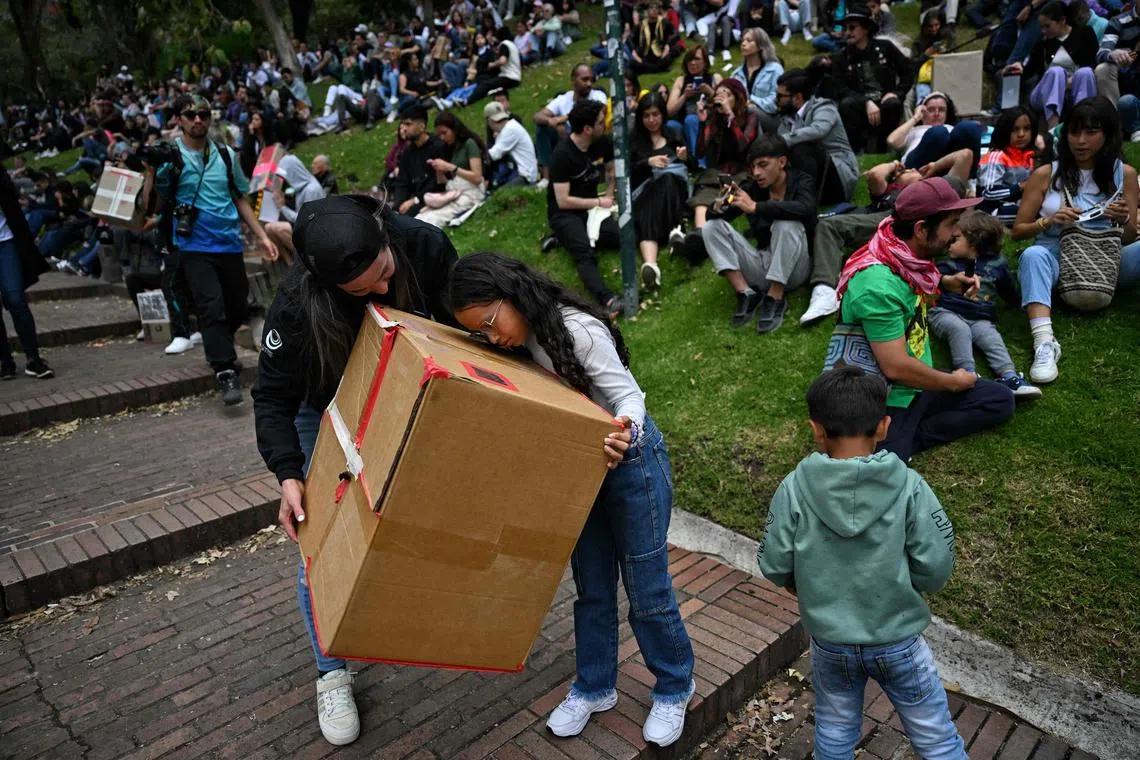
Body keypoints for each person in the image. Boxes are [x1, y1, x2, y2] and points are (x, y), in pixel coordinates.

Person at [448, 251, 695, 748]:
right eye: (483, 333)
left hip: (632, 463)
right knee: (593, 587)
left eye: (493, 323)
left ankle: (674, 686)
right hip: (578, 473)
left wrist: (623, 431)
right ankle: (595, 686)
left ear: (513, 294)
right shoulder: (516, 345)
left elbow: (629, 398)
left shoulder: (577, 330)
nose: (494, 338)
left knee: (647, 591)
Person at [253, 194, 458, 748]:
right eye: (364, 290)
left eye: (386, 274)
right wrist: (288, 474)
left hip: (406, 390)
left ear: (388, 240)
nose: (384, 290)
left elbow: (465, 327)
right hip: (323, 411)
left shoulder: (424, 244)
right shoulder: (296, 308)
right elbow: (271, 399)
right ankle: (332, 672)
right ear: (326, 286)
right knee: (321, 546)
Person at [757, 366, 968, 760]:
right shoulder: (910, 486)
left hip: (831, 641)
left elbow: (773, 561)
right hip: (899, 639)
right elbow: (936, 563)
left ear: (816, 429)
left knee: (834, 735)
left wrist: (796, 584)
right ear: (884, 426)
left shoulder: (793, 488)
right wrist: (914, 582)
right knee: (937, 739)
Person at [837, 177, 1015, 461]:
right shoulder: (877, 286)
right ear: (921, 229)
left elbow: (916, 283)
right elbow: (895, 367)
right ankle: (896, 443)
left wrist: (945, 282)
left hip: (916, 382)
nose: (957, 232)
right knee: (882, 465)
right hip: (888, 395)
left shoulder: (902, 253)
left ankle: (906, 439)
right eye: (951, 224)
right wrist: (952, 383)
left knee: (1000, 400)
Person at [142, 94, 278, 406]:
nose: (198, 120)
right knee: (211, 305)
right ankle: (225, 370)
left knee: (236, 306)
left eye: (203, 114)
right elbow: (151, 204)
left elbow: (240, 198)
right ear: (179, 120)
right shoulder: (171, 157)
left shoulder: (226, 154)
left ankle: (221, 348)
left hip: (229, 244)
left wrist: (262, 237)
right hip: (193, 245)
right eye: (191, 115)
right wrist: (152, 170)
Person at [1010, 96, 1140, 384]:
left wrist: (1123, 220)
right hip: (1057, 258)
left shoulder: (1124, 175)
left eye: (1091, 132)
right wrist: (1050, 220)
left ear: (1107, 135)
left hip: (1107, 260)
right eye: (1074, 132)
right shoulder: (1046, 174)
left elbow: (1129, 237)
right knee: (1032, 256)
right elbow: (1017, 231)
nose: (1080, 141)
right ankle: (1044, 342)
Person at [704, 135, 815, 332]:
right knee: (711, 228)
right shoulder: (753, 189)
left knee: (785, 224)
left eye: (763, 165)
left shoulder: (801, 181)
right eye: (753, 167)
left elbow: (805, 208)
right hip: (764, 265)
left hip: (797, 268)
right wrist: (720, 202)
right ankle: (746, 293)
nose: (756, 173)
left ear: (782, 162)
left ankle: (775, 296)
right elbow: (713, 218)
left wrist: (756, 207)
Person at [929, 210, 1042, 399]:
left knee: (992, 338)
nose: (950, 243)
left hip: (980, 318)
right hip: (946, 312)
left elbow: (1007, 287)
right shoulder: (947, 263)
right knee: (959, 329)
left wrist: (1017, 302)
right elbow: (932, 281)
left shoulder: (997, 264)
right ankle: (967, 374)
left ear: (973, 243)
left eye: (956, 239)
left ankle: (1009, 377)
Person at [546, 100, 621, 317]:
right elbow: (563, 201)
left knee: (618, 237)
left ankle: (566, 238)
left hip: (592, 206)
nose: (604, 125)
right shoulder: (562, 155)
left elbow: (610, 170)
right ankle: (607, 299)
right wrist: (599, 202)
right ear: (587, 129)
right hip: (566, 213)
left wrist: (609, 192)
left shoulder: (602, 142)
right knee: (584, 253)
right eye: (599, 122)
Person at [829, 6, 914, 153]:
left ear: (866, 29)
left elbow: (908, 71)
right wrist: (865, 101)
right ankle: (855, 152)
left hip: (884, 102)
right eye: (846, 28)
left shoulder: (886, 47)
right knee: (847, 104)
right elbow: (840, 88)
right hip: (859, 106)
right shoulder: (841, 57)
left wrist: (897, 93)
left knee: (892, 103)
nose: (847, 32)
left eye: (852, 28)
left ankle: (886, 148)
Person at [629, 91, 689, 290]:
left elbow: (693, 166)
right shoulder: (635, 141)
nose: (651, 120)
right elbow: (628, 172)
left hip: (674, 193)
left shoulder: (673, 136)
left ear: (663, 114)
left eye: (655, 114)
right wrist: (648, 162)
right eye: (646, 116)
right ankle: (651, 266)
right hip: (645, 195)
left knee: (669, 178)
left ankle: (676, 230)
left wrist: (684, 156)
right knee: (650, 205)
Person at [1005, 2, 1098, 127]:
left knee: (1085, 72)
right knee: (1056, 72)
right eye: (1041, 27)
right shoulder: (1042, 43)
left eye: (1047, 26)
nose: (1043, 31)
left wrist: (1066, 84)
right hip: (1045, 92)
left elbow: (1091, 63)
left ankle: (1083, 123)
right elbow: (1030, 70)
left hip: (1074, 91)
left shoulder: (1084, 33)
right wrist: (1019, 67)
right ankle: (1052, 129)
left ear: (1062, 20)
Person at [775, 69, 859, 204]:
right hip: (815, 180)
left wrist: (782, 140)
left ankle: (804, 200)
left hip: (839, 178)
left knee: (801, 147)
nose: (776, 100)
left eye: (780, 96)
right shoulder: (786, 119)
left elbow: (818, 130)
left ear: (797, 98)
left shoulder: (824, 107)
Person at [0, 170, 54, 381]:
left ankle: (33, 358)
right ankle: (5, 361)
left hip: (6, 242)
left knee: (15, 298)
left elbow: (10, 195)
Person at [690, 79, 761, 231]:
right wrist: (703, 123)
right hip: (718, 174)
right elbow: (700, 151)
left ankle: (711, 231)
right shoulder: (714, 117)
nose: (722, 99)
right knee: (702, 200)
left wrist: (731, 116)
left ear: (738, 98)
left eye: (727, 95)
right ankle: (699, 234)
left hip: (743, 174)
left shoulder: (750, 116)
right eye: (719, 95)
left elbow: (743, 145)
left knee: (726, 200)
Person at [535, 65, 609, 182]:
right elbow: (538, 116)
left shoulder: (598, 95)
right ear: (573, 79)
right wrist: (551, 122)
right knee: (542, 127)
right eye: (584, 79)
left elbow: (595, 113)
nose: (589, 84)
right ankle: (546, 177)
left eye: (591, 80)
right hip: (567, 138)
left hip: (591, 139)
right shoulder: (563, 98)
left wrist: (561, 119)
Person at [415, 112, 488, 227]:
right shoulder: (450, 148)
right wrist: (439, 171)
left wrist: (450, 167)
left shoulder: (469, 144)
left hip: (471, 192)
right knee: (421, 215)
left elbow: (477, 177)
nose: (442, 138)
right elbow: (446, 182)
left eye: (445, 133)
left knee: (434, 218)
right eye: (439, 135)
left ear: (454, 129)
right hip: (455, 191)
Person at [886, 92, 985, 174]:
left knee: (969, 126)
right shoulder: (914, 130)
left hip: (948, 166)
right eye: (931, 110)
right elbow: (892, 141)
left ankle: (971, 184)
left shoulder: (953, 129)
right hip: (916, 166)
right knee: (939, 132)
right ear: (923, 112)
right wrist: (916, 118)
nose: (937, 114)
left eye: (941, 110)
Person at [978, 106, 1039, 222]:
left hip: (1020, 204)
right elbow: (988, 193)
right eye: (1014, 129)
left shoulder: (1031, 156)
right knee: (1035, 213)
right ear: (1004, 131)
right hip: (993, 210)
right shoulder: (997, 156)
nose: (1021, 134)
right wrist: (1020, 187)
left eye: (1026, 129)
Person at [264, 155, 327, 263]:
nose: (285, 180)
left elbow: (305, 219)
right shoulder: (301, 188)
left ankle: (304, 260)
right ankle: (290, 262)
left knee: (277, 228)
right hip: (303, 229)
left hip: (314, 234)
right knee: (269, 227)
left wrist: (282, 207)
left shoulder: (311, 190)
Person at [391, 105, 449, 217]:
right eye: (402, 124)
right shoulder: (407, 153)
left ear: (422, 126)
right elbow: (402, 183)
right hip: (415, 198)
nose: (403, 128)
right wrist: (396, 207)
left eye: (408, 124)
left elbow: (437, 182)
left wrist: (416, 199)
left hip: (435, 196)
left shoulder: (438, 146)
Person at [665, 45, 722, 157]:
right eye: (690, 59)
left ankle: (699, 163)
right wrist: (684, 96)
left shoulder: (715, 78)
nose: (692, 63)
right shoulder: (681, 80)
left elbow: (724, 103)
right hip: (684, 122)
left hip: (709, 122)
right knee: (671, 124)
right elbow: (670, 110)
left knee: (691, 120)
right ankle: (680, 160)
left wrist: (710, 92)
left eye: (697, 59)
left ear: (705, 62)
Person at [731, 28, 783, 134]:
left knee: (750, 111)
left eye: (749, 41)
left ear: (760, 45)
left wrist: (752, 101)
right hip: (742, 116)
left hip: (770, 119)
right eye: (743, 40)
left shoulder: (775, 69)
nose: (743, 44)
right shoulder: (736, 74)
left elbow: (776, 103)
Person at [1094, 7, 1140, 108]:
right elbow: (1102, 53)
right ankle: (1113, 117)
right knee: (1103, 69)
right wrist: (1113, 54)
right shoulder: (1118, 21)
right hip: (1128, 68)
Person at [911, 7, 953, 104]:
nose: (934, 29)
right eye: (930, 26)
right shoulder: (919, 42)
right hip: (925, 79)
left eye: (936, 25)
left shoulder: (948, 37)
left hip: (946, 75)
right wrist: (925, 55)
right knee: (923, 98)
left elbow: (957, 59)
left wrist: (946, 53)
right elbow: (912, 65)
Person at [631, 0, 680, 74]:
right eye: (651, 8)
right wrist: (634, 52)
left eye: (656, 8)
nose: (654, 10)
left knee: (673, 51)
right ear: (647, 10)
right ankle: (657, 69)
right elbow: (631, 38)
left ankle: (650, 69)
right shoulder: (641, 25)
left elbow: (676, 34)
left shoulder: (664, 22)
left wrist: (667, 45)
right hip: (646, 55)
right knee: (632, 63)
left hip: (661, 54)